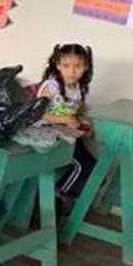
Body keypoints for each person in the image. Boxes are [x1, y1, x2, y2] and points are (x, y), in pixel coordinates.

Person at [37, 43, 98, 203]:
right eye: (66, 66)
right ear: (58, 65)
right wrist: (66, 119)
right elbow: (36, 114)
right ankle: (58, 196)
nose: (72, 71)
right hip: (47, 136)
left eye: (77, 66)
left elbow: (73, 113)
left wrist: (82, 123)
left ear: (86, 67)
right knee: (83, 166)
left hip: (67, 135)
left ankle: (63, 197)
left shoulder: (78, 87)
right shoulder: (51, 86)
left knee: (93, 167)